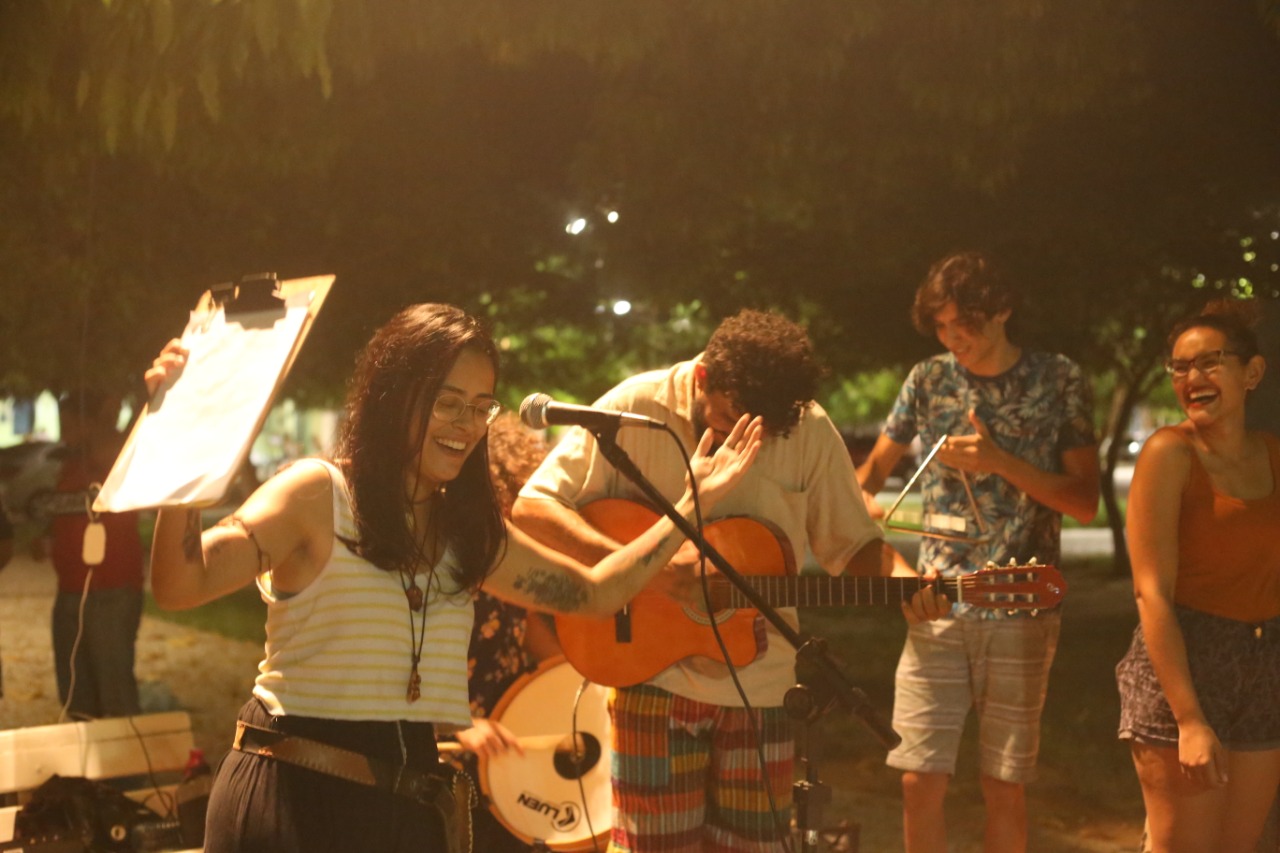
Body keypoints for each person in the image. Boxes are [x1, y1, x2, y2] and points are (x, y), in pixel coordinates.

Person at [144, 302, 763, 853]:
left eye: (480, 406)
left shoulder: (466, 533)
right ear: (394, 396)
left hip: (407, 806)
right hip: (296, 794)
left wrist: (689, 507)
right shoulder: (316, 494)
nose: (466, 424)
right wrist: (181, 436)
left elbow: (598, 592)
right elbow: (181, 583)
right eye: (447, 401)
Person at [511, 308, 948, 852]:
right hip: (651, 682)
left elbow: (855, 543)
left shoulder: (808, 427)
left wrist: (908, 583)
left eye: (763, 432)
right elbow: (533, 508)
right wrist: (643, 568)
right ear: (702, 378)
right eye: (726, 422)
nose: (741, 441)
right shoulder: (634, 406)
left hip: (763, 689)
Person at [856, 251, 1100, 853]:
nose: (952, 338)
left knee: (1004, 783)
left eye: (963, 322)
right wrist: (868, 515)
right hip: (935, 606)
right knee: (918, 775)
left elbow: (1084, 502)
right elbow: (869, 478)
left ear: (1002, 310)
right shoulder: (928, 379)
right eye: (941, 326)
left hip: (1021, 606)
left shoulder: (1058, 379)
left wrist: (999, 462)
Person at [1115, 298, 1280, 853]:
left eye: (1210, 362)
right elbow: (1151, 594)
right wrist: (1188, 719)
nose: (1193, 378)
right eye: (1181, 367)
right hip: (1186, 661)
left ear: (1251, 373)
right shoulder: (1169, 453)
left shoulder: (1274, 454)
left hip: (1265, 662)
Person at [461, 413, 562, 853]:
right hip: (456, 753)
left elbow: (546, 654)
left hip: (511, 745)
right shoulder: (449, 576)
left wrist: (591, 693)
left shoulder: (510, 574)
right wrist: (461, 726)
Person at [50, 389, 145, 720]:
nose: (65, 434)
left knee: (114, 692)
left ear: (93, 422)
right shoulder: (70, 463)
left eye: (70, 425)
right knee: (75, 695)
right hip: (69, 590)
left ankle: (124, 757)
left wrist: (103, 420)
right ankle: (84, 754)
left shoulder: (113, 454)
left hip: (111, 590)